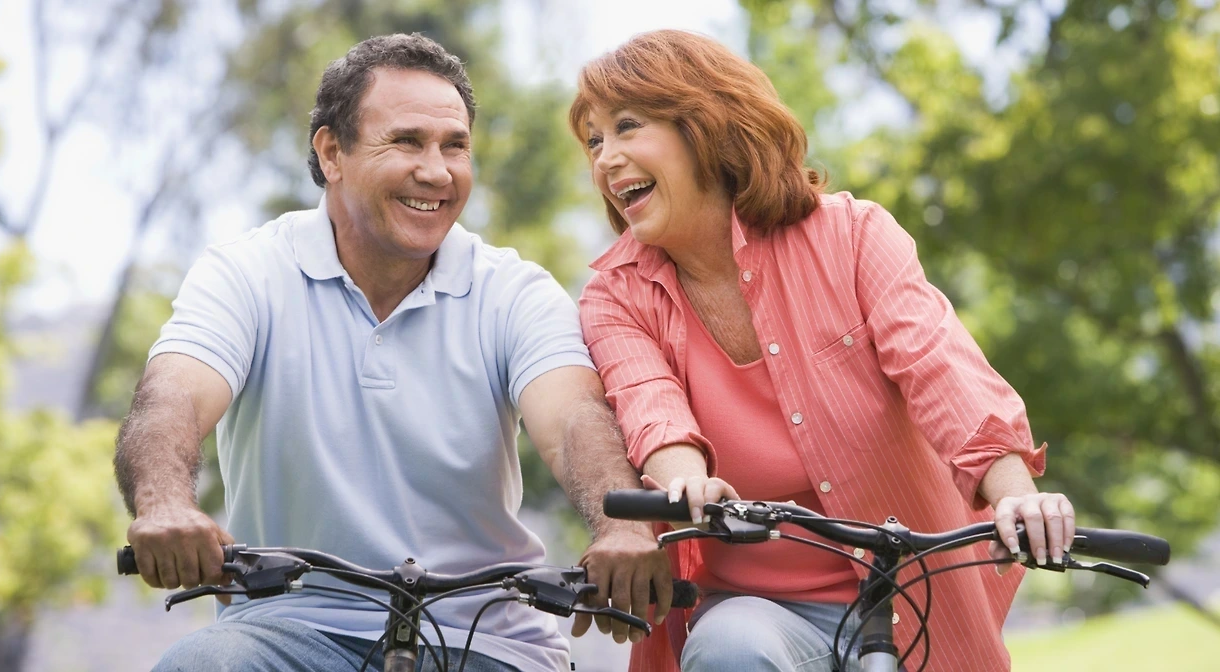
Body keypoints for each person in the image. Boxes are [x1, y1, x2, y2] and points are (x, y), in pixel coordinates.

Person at [113, 33, 670, 672]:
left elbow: (573, 419)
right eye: (407, 141)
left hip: (486, 641)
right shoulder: (247, 273)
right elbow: (173, 397)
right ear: (332, 152)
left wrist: (621, 527)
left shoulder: (514, 291)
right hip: (284, 630)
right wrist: (165, 504)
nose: (437, 171)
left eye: (454, 146)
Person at [569, 30, 1075, 672]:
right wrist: (685, 483)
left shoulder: (852, 235)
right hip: (755, 610)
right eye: (594, 141)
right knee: (729, 650)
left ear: (705, 125)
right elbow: (649, 407)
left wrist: (1015, 495)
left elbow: (941, 371)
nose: (606, 159)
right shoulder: (614, 295)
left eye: (627, 127)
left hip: (912, 597)